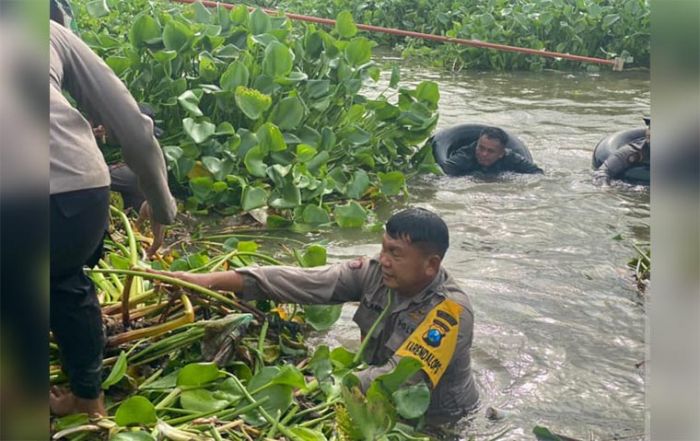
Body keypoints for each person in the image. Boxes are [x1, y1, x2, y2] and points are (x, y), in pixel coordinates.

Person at [154, 208, 479, 426]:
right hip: (372, 399)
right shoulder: (377, 275)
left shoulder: (450, 313)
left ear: (431, 265)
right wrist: (206, 281)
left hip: (438, 423)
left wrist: (321, 384)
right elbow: (301, 280)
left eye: (395, 253)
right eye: (383, 248)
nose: (384, 260)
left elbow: (399, 377)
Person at [49, 3, 177, 417]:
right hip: (80, 191)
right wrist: (162, 207)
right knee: (66, 284)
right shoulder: (51, 34)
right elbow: (136, 130)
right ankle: (89, 399)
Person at [442, 126, 543, 175]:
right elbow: (443, 172)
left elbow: (537, 173)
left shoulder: (511, 158)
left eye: (490, 151)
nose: (483, 154)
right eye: (481, 148)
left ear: (501, 153)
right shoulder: (465, 155)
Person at [594, 117, 650, 182]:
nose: (650, 133)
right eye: (650, 128)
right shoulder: (635, 150)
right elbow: (603, 171)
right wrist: (605, 187)